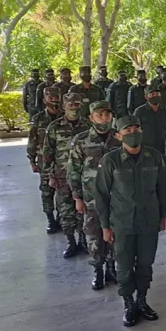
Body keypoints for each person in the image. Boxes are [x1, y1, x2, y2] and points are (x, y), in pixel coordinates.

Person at [95, 115, 166, 327]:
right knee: (125, 266)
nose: (133, 133)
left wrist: (162, 215)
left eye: (136, 129)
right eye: (127, 130)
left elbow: (161, 189)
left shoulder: (154, 157)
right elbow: (102, 195)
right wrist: (105, 226)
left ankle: (142, 301)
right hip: (122, 222)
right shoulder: (110, 161)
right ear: (118, 135)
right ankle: (128, 304)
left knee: (146, 264)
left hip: (149, 221)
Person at [68, 101, 121, 290]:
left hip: (116, 199)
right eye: (100, 115)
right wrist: (77, 198)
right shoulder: (81, 141)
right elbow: (73, 171)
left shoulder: (118, 139)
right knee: (93, 236)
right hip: (91, 199)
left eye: (108, 114)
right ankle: (97, 271)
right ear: (91, 118)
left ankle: (111, 268)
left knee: (114, 234)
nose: (105, 118)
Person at [42, 93, 91, 258]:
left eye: (77, 105)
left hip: (84, 177)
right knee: (66, 212)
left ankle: (83, 241)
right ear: (64, 106)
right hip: (62, 177)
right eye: (70, 105)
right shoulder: (55, 127)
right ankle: (71, 242)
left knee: (83, 211)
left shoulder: (88, 125)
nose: (74, 108)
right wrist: (50, 175)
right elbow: (47, 154)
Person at [27, 86, 63, 233]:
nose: (54, 101)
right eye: (51, 98)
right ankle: (50, 219)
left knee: (63, 192)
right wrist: (32, 161)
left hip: (63, 162)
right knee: (47, 191)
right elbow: (32, 141)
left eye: (57, 98)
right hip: (44, 162)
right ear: (44, 100)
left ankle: (61, 218)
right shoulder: (38, 119)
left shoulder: (66, 117)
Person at [134, 87, 166, 155]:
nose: (155, 96)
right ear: (146, 97)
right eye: (152, 94)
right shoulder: (139, 112)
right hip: (146, 148)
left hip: (163, 146)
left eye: (157, 94)